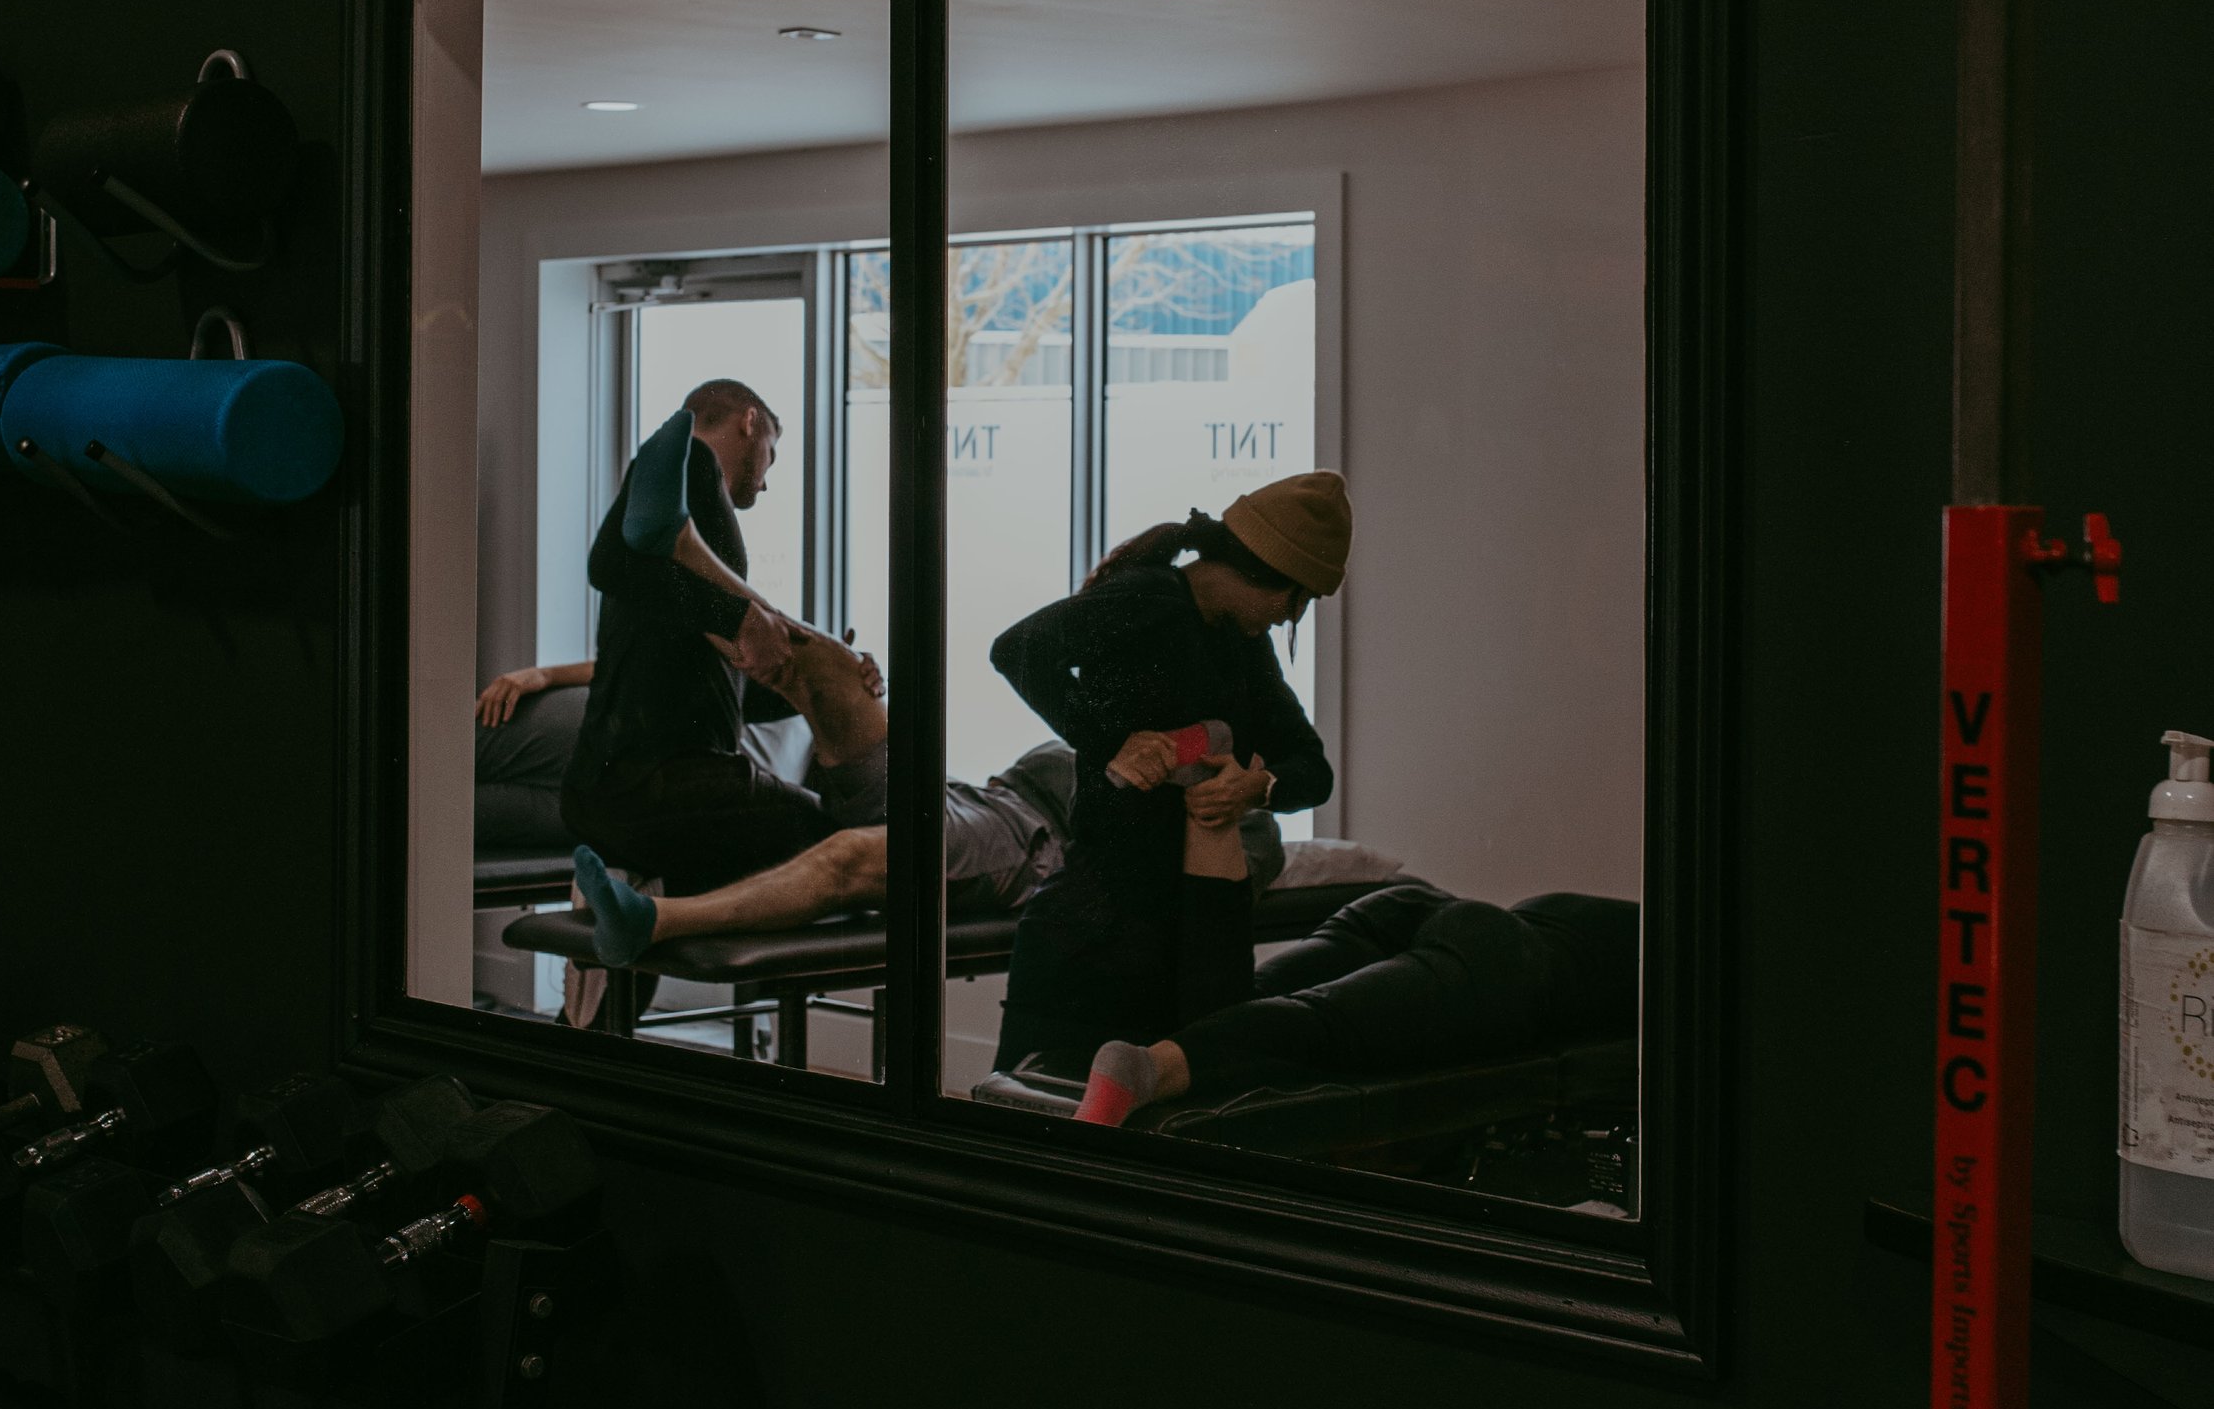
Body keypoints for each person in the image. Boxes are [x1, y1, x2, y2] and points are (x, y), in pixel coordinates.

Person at [987, 471, 1352, 1078]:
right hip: (1105, 919)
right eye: (1295, 603)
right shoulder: (1146, 598)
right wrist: (1112, 745)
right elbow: (1018, 648)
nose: (1290, 619)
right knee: (1038, 1109)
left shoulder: (1243, 647)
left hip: (1203, 925)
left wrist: (1259, 787)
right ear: (1268, 576)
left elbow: (1312, 769)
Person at [568, 599, 1081, 961]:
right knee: (829, 664)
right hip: (976, 795)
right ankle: (689, 562)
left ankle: (652, 917)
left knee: (845, 857)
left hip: (1025, 840)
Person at [1073, 881, 1642, 1127]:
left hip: (1413, 907)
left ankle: (1129, 1063)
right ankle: (1143, 1069)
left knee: (1245, 1010)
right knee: (1318, 1024)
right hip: (1501, 965)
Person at [560, 381, 831, 894]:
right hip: (666, 786)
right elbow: (607, 562)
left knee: (703, 904)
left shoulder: (673, 498)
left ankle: (643, 929)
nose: (767, 481)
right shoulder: (691, 461)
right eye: (770, 453)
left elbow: (723, 688)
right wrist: (741, 618)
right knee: (842, 841)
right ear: (749, 422)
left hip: (614, 792)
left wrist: (813, 683)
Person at [473, 655, 593, 854]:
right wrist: (547, 675)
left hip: (609, 812)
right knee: (435, 750)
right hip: (588, 728)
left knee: (442, 815)